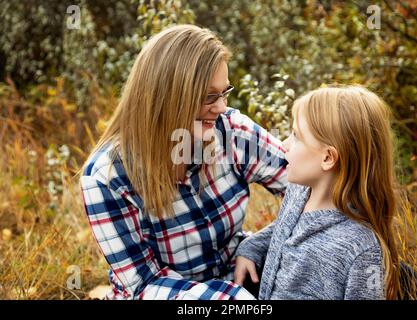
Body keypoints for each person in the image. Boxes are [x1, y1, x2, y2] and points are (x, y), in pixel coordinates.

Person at [79, 24, 287, 300]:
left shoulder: (232, 131)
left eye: (224, 92)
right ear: (165, 98)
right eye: (209, 96)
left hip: (239, 277)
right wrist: (231, 299)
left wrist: (257, 246)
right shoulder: (106, 178)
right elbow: (143, 285)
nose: (222, 107)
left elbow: (311, 192)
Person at [235, 85, 402, 300]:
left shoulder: (360, 249)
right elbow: (284, 229)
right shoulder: (299, 192)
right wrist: (250, 248)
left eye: (295, 136)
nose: (284, 144)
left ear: (327, 158)